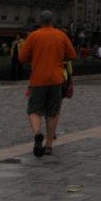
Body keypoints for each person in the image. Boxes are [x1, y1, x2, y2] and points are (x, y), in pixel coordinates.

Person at [18, 10, 76, 157]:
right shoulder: (61, 35)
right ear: (52, 21)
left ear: (40, 21)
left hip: (38, 79)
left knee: (34, 110)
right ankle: (49, 145)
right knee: (53, 113)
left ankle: (37, 133)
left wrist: (34, 57)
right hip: (56, 80)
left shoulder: (33, 36)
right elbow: (72, 55)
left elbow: (21, 58)